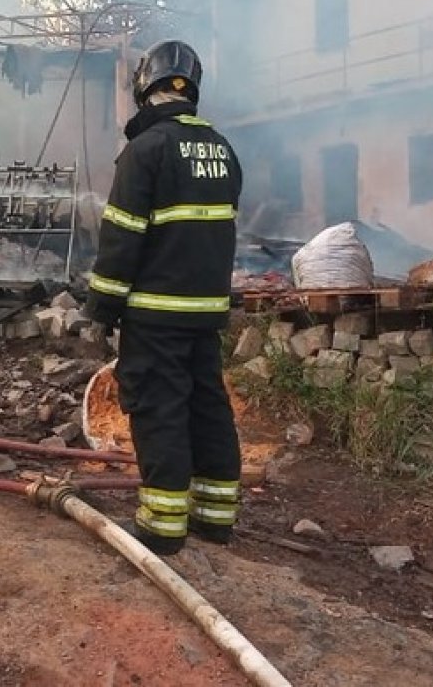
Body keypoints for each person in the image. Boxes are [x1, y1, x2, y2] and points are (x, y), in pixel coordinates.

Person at [84, 40, 244, 555]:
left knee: (160, 409)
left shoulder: (145, 151)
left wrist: (102, 308)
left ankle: (163, 526)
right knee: (207, 405)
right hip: (206, 313)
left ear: (144, 85)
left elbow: (122, 237)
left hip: (155, 313)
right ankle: (216, 516)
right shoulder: (222, 149)